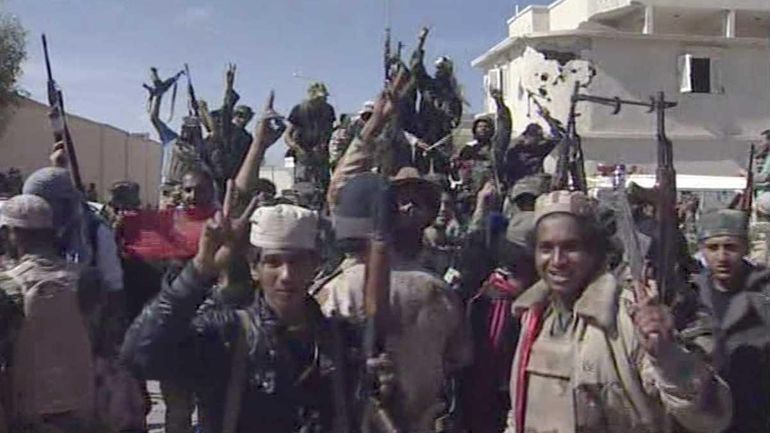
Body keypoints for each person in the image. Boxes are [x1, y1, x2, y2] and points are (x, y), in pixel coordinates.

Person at [122, 196, 392, 432]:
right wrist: (199, 271)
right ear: (255, 268)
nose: (286, 276)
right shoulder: (226, 337)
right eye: (273, 262)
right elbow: (139, 354)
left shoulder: (343, 343)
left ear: (315, 267)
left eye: (297, 261)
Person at [504, 190, 732, 433]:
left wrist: (666, 355)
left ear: (595, 252)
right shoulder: (534, 316)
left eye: (571, 247)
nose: (557, 260)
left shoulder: (627, 317)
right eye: (546, 248)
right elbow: (521, 412)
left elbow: (709, 417)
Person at [0, 195, 95, 432]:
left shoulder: (7, 286)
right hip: (81, 404)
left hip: (26, 410)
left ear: (13, 234)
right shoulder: (87, 279)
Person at [693, 209, 770, 433]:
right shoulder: (690, 294)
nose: (722, 257)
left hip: (756, 414)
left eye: (730, 247)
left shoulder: (764, 292)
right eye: (713, 248)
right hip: (704, 416)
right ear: (702, 250)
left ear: (745, 248)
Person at [456, 88, 511, 194]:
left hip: (492, 190)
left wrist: (499, 103)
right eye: (479, 126)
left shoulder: (496, 147)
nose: (483, 129)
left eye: (486, 126)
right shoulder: (468, 149)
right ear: (475, 129)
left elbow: (505, 126)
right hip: (471, 192)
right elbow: (459, 171)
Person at [285, 82, 336, 192]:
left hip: (321, 154)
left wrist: (323, 145)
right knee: (303, 184)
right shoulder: (299, 109)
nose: (321, 101)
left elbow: (329, 131)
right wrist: (298, 149)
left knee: (324, 185)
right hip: (303, 154)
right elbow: (287, 135)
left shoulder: (328, 110)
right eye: (318, 98)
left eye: (323, 98)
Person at [504, 122, 562, 187]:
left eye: (540, 138)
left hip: (536, 184)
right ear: (527, 136)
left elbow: (559, 139)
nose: (539, 140)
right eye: (536, 137)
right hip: (519, 185)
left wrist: (548, 120)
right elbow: (508, 174)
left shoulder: (541, 148)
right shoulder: (514, 151)